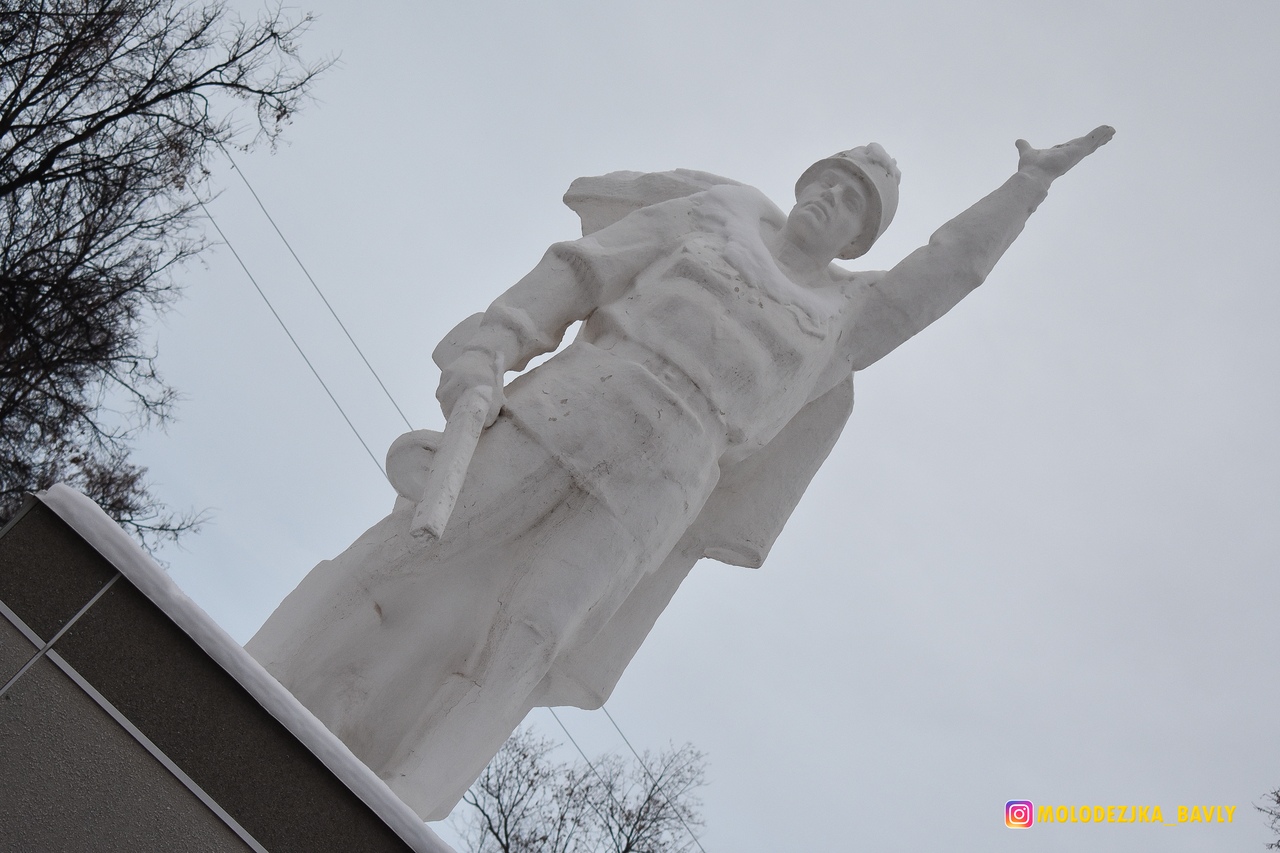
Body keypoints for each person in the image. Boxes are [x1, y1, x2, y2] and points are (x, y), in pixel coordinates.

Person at [248, 127, 1113, 820]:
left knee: (536, 630)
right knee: (417, 545)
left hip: (666, 478)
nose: (830, 196)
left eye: (853, 201)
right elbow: (584, 269)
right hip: (577, 401)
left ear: (860, 237)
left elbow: (946, 271)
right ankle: (271, 667)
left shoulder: (846, 314)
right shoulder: (721, 213)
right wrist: (496, 342)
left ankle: (414, 787)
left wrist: (1026, 186)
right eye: (827, 179)